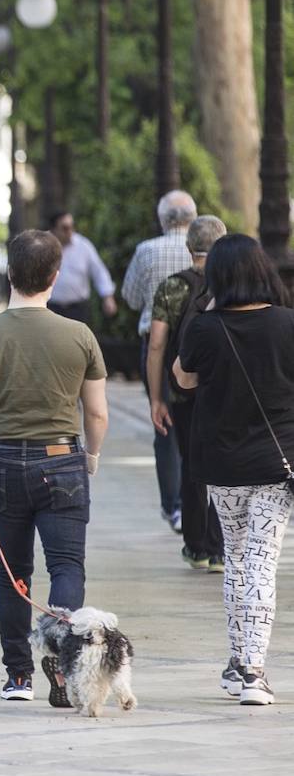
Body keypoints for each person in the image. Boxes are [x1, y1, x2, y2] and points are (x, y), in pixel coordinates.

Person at [0, 230, 109, 704]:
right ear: (55, 277)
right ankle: (63, 658)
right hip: (62, 461)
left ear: (9, 273)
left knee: (12, 572)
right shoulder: (79, 335)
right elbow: (97, 412)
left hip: (2, 462)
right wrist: (92, 456)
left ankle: (17, 676)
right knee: (66, 566)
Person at [174, 234, 294, 707]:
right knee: (261, 563)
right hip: (275, 462)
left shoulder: (204, 328)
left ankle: (238, 661)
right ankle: (253, 671)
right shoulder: (288, 324)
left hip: (222, 463)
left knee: (238, 558)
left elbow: (183, 379)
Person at [148, 215, 227, 572]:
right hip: (222, 391)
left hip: (183, 392)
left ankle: (196, 547)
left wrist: (156, 397)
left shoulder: (171, 287)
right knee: (223, 464)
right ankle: (221, 545)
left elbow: (157, 345)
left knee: (191, 465)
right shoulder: (230, 285)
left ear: (187, 246)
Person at [123, 190, 197, 533]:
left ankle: (175, 507)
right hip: (200, 344)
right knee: (199, 423)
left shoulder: (147, 250)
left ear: (163, 220)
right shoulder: (205, 252)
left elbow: (132, 296)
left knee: (164, 424)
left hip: (158, 344)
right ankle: (201, 504)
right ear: (193, 219)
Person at [46, 211, 118, 323]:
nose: (70, 231)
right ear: (54, 229)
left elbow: (98, 271)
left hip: (78, 309)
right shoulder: (43, 247)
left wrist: (108, 297)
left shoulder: (83, 245)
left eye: (72, 226)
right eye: (65, 227)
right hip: (51, 309)